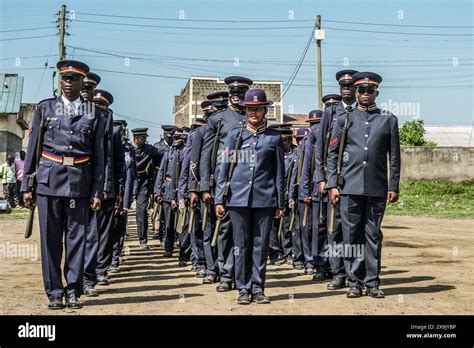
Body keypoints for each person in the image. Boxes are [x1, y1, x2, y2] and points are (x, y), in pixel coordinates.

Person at [22, 59, 105, 309]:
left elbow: (100, 156)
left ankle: (73, 289)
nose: (69, 83)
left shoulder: (94, 113)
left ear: (82, 83)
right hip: (48, 181)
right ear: (61, 81)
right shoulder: (45, 108)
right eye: (65, 79)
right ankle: (55, 292)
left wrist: (98, 190)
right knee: (50, 240)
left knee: (76, 240)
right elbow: (33, 148)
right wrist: (28, 184)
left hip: (80, 182)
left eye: (74, 79)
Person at [327, 71, 401, 299]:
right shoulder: (344, 120)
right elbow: (332, 154)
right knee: (351, 236)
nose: (365, 94)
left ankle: (372, 282)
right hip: (349, 187)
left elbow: (395, 157)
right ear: (356, 92)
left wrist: (393, 185)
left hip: (377, 188)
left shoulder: (388, 120)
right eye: (361, 90)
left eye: (370, 90)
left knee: (373, 235)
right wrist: (332, 184)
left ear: (377, 92)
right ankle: (354, 282)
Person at [215, 88, 285, 305]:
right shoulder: (235, 136)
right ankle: (243, 288)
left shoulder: (274, 138)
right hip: (237, 199)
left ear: (265, 111)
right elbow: (223, 169)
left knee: (260, 245)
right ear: (246, 110)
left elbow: (279, 174)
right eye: (250, 109)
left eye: (259, 109)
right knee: (240, 245)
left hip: (265, 199)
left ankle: (258, 288)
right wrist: (219, 198)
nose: (254, 113)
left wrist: (280, 202)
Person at [200, 76, 252, 292]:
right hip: (225, 182)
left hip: (248, 183)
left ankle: (243, 276)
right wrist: (205, 186)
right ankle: (226, 274)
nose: (237, 97)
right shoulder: (218, 119)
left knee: (246, 232)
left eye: (241, 93)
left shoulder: (254, 116)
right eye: (234, 93)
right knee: (225, 230)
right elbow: (206, 155)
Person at [315, 69, 358, 289]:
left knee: (354, 231)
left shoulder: (362, 111)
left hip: (356, 181)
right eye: (343, 87)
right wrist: (323, 178)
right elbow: (322, 147)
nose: (346, 90)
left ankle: (354, 274)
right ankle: (338, 273)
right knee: (335, 229)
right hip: (335, 181)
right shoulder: (331, 113)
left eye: (350, 86)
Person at [132, 127, 161, 249]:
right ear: (136, 138)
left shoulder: (150, 150)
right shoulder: (128, 149)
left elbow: (162, 155)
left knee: (142, 212)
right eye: (143, 138)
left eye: (145, 137)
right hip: (129, 182)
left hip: (142, 182)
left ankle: (143, 240)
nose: (144, 140)